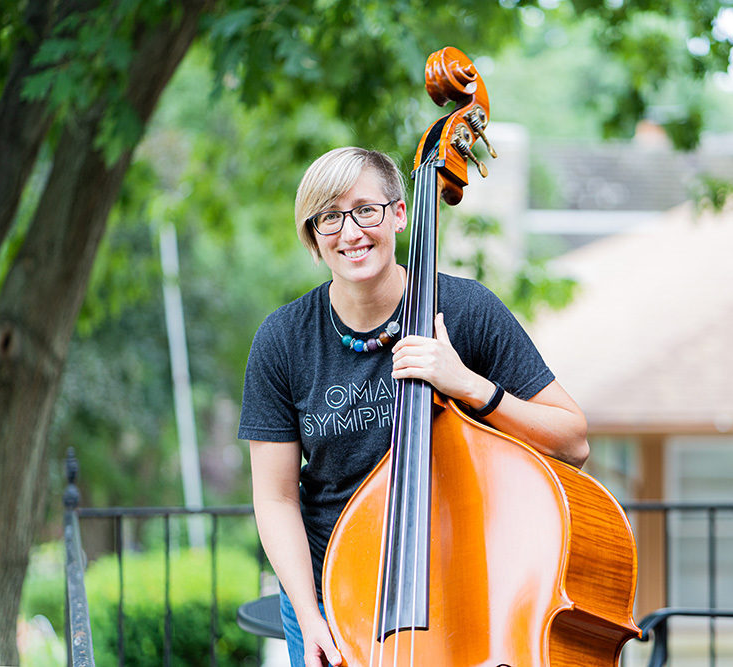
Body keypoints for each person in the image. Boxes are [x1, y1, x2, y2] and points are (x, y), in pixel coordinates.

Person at [238, 147, 588, 667]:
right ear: (313, 236)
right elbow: (276, 500)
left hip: (460, 577)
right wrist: (309, 615)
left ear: (400, 213)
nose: (350, 232)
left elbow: (573, 442)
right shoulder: (284, 339)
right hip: (335, 591)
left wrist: (467, 384)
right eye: (329, 217)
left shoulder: (467, 311)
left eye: (365, 209)